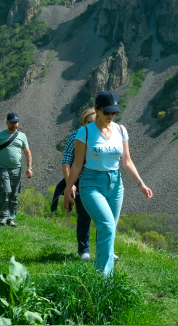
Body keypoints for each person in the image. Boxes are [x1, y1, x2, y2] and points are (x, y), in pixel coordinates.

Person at [64, 90, 153, 275]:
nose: (111, 116)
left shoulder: (121, 131)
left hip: (115, 184)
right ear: (97, 110)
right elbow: (77, 164)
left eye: (115, 112)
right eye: (107, 112)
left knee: (109, 231)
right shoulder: (85, 132)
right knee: (107, 226)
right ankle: (103, 280)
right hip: (91, 183)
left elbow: (126, 161)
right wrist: (67, 189)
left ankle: (105, 278)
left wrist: (140, 184)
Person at [60, 107, 117, 262]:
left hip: (101, 179)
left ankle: (105, 249)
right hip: (80, 180)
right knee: (84, 216)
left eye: (95, 121)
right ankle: (84, 249)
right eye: (90, 122)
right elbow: (67, 161)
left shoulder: (104, 136)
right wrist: (69, 184)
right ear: (83, 122)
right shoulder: (75, 136)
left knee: (103, 216)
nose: (94, 125)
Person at [0, 112, 33, 227]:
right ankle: (3, 216)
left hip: (16, 169)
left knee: (14, 194)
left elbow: (27, 152)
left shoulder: (22, 136)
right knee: (5, 191)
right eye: (12, 122)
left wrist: (29, 168)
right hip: (3, 168)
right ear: (7, 122)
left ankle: (11, 218)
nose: (14, 124)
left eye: (16, 122)